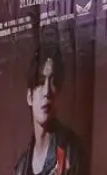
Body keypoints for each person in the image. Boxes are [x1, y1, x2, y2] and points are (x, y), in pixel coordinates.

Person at [13, 37, 87, 175]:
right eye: (41, 82)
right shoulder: (21, 168)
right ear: (30, 97)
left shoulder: (72, 152)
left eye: (53, 82)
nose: (47, 91)